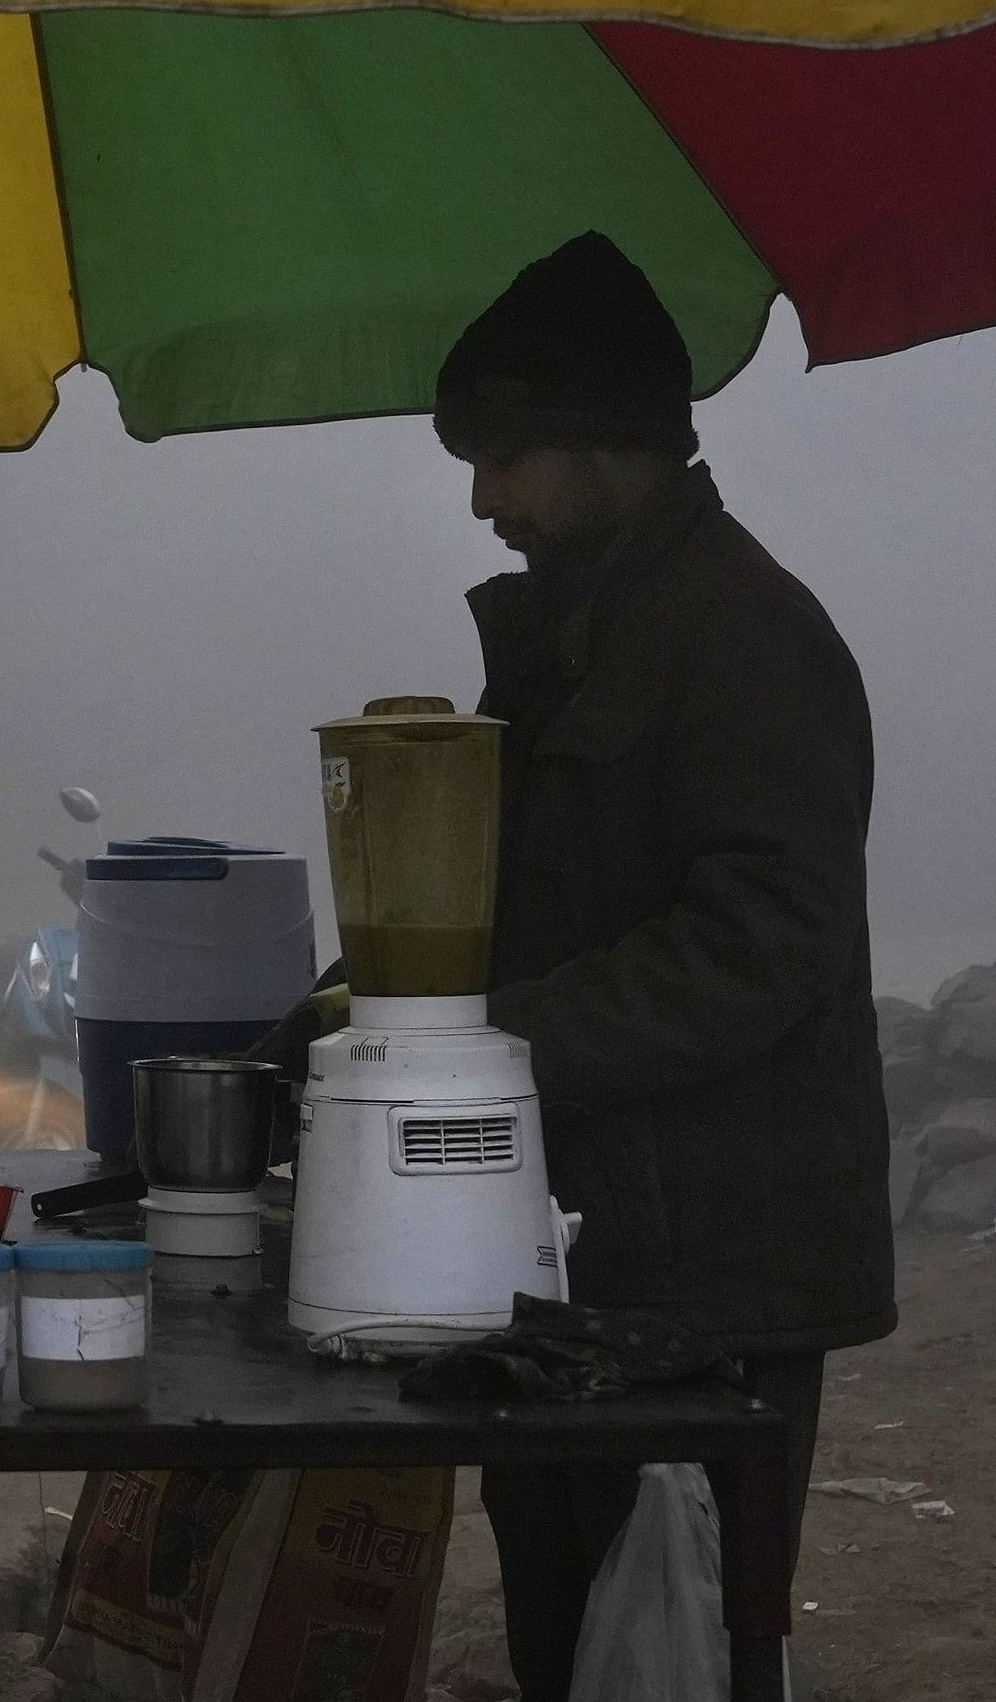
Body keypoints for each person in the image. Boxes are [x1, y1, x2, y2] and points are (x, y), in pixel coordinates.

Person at [375, 232, 889, 1701]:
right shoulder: (585, 635)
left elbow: (761, 941)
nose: (483, 495)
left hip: (719, 1266)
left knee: (679, 1636)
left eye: (505, 452)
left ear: (615, 442)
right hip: (582, 1245)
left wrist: (494, 1038)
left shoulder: (745, 635)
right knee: (566, 1626)